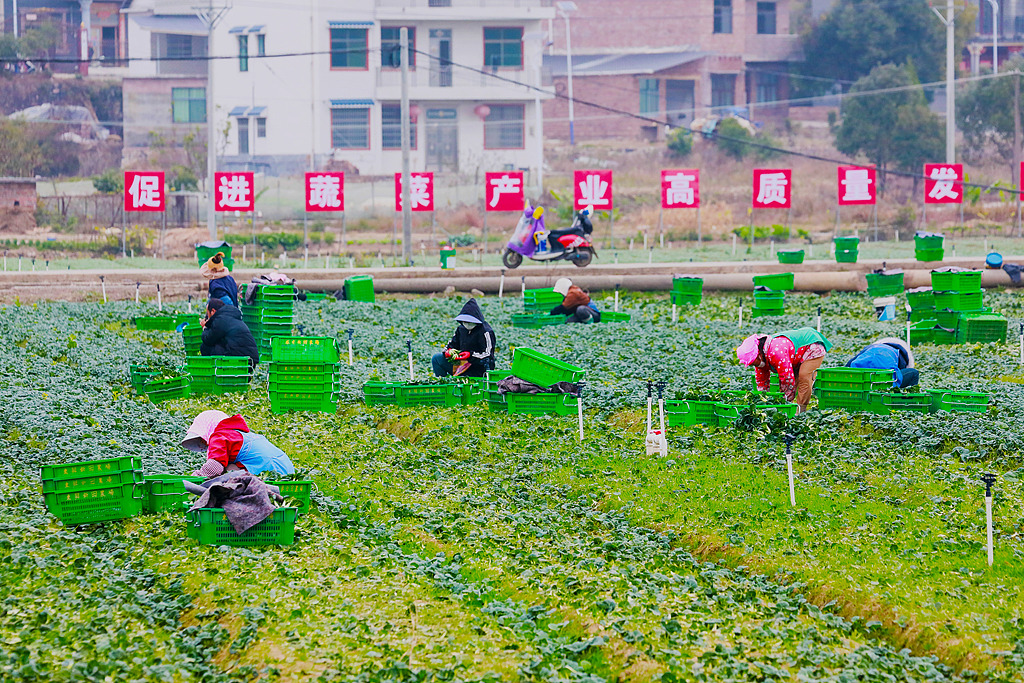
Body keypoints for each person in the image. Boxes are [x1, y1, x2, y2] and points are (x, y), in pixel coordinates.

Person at [737, 327, 832, 413]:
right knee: (795, 378)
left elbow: (787, 380)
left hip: (812, 345)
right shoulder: (760, 359)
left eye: (754, 362)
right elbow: (762, 382)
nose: (755, 365)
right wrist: (764, 402)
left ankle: (801, 411)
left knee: (804, 377)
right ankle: (793, 409)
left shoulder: (776, 351)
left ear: (759, 354)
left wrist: (784, 404)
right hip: (795, 355)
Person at [182, 410, 295, 477]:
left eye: (203, 439)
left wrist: (193, 479)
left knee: (225, 472)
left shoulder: (221, 436)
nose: (204, 443)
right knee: (228, 467)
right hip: (285, 472)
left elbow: (214, 468)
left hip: (269, 473)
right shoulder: (239, 435)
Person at [431, 298, 496, 378]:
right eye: (465, 322)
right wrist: (447, 352)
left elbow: (488, 355)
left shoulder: (486, 332)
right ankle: (442, 383)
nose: (466, 324)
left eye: (469, 322)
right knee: (437, 359)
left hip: (478, 368)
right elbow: (451, 345)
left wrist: (470, 355)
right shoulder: (461, 329)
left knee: (477, 371)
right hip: (462, 364)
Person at [200, 298, 260, 368]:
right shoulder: (231, 316)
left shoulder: (220, 320)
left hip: (242, 361)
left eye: (208, 313)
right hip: (251, 360)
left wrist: (205, 328)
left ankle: (216, 372)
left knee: (205, 347)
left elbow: (208, 339)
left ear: (213, 311)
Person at [847, 337, 920, 388]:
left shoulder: (870, 348)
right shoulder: (901, 354)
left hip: (860, 379)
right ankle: (908, 399)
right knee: (914, 373)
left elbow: (848, 365)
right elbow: (903, 369)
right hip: (884, 381)